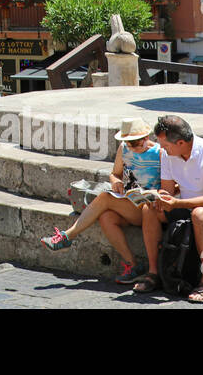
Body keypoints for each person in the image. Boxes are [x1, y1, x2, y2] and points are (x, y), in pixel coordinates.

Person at [132, 115, 203, 302]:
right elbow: (168, 191)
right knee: (150, 210)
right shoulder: (168, 155)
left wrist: (176, 203)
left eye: (165, 145)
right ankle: (154, 273)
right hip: (190, 208)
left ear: (180, 142)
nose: (161, 148)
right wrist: (156, 196)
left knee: (200, 214)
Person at [40, 118, 163, 283]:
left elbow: (173, 184)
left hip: (150, 208)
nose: (134, 148)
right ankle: (132, 264)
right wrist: (116, 182)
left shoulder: (159, 153)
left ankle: (67, 236)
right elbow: (115, 173)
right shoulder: (124, 149)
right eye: (130, 144)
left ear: (146, 138)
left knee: (105, 197)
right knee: (106, 217)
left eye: (137, 143)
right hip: (130, 202)